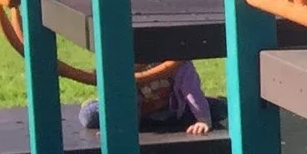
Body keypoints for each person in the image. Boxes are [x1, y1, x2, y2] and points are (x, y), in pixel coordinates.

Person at [80, 60, 212, 136]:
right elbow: (122, 95)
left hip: (168, 113)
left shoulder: (179, 64)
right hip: (128, 113)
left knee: (215, 109)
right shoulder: (127, 60)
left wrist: (203, 120)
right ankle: (96, 103)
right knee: (90, 116)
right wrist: (115, 126)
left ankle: (214, 103)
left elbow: (192, 90)